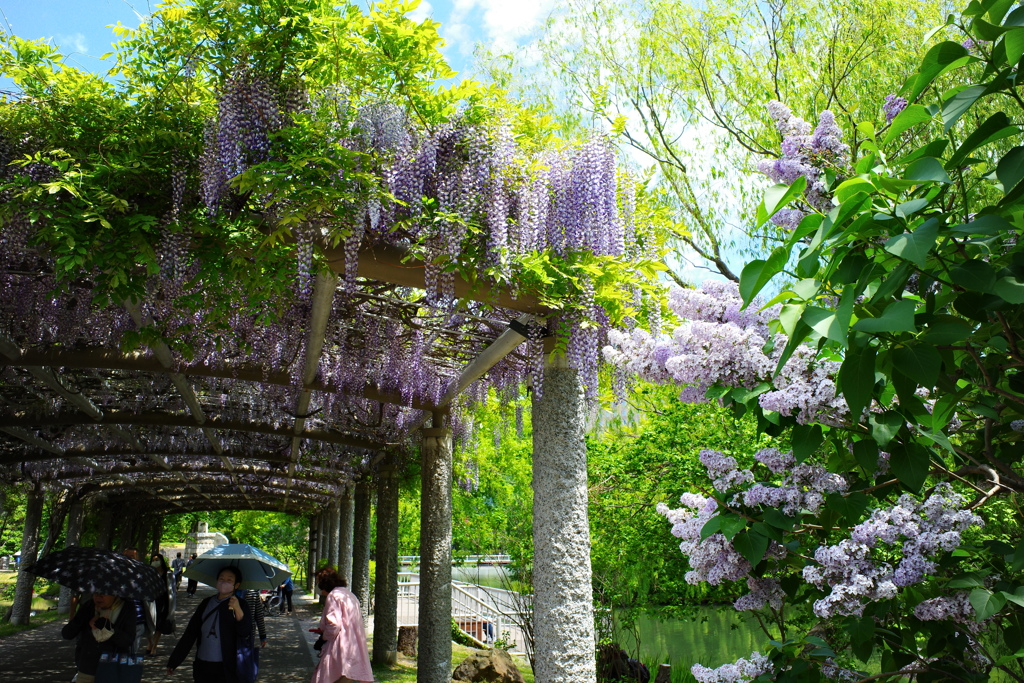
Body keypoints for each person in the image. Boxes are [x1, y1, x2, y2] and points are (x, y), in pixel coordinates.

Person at [167, 566, 252, 683]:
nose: (224, 582)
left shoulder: (241, 604)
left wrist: (237, 609)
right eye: (221, 579)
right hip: (203, 664)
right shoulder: (206, 603)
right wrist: (175, 661)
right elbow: (190, 633)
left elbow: (245, 632)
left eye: (229, 580)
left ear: (236, 585)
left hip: (226, 667)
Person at [310, 567, 373, 683]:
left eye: (319, 585)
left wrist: (323, 637)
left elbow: (334, 625)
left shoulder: (333, 596)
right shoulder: (348, 594)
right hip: (353, 647)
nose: (319, 590)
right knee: (346, 677)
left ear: (324, 584)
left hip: (339, 648)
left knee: (332, 678)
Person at [61, 592, 136, 683]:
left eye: (103, 593)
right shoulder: (89, 606)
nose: (98, 597)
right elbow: (67, 634)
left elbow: (127, 641)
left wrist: (109, 628)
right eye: (95, 592)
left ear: (115, 593)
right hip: (87, 669)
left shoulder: (127, 608)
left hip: (114, 670)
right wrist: (81, 619)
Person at [147, 552, 176, 655]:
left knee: (159, 624)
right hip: (151, 601)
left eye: (157, 560)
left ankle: (154, 647)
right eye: (153, 560)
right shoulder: (149, 573)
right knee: (149, 623)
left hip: (163, 601)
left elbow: (172, 589)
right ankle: (150, 643)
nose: (155, 562)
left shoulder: (168, 573)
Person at [244, 588, 268, 674]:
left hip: (248, 634)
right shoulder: (228, 593)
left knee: (245, 661)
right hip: (229, 634)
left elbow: (259, 615)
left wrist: (263, 636)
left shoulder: (253, 593)